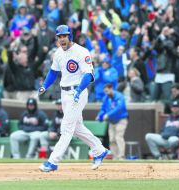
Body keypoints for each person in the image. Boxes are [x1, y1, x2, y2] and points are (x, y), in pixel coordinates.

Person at [38, 24, 108, 172]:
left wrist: (78, 90)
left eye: (64, 36)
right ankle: (99, 150)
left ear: (70, 36)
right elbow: (53, 72)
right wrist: (45, 85)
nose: (62, 39)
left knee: (66, 128)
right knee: (76, 128)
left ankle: (53, 161)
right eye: (59, 36)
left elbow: (88, 75)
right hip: (65, 93)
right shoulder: (58, 53)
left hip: (78, 92)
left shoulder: (81, 51)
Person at [96, 83, 128, 160]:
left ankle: (121, 156)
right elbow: (103, 109)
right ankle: (115, 157)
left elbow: (119, 108)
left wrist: (108, 115)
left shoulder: (119, 96)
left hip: (121, 120)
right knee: (112, 140)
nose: (106, 93)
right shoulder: (106, 98)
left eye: (107, 91)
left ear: (111, 89)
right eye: (105, 91)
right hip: (112, 121)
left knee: (118, 137)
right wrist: (100, 116)